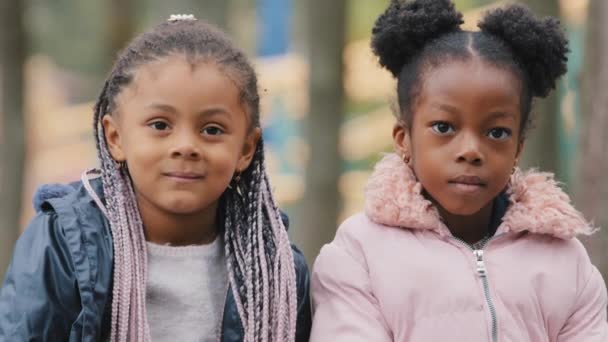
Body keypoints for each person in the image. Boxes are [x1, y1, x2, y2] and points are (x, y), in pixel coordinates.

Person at [0, 14, 311, 342]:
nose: (186, 146)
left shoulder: (275, 269)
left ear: (246, 149)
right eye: (160, 125)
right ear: (115, 137)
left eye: (212, 130)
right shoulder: (66, 243)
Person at [310, 1, 608, 341]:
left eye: (497, 132)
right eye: (443, 127)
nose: (470, 151)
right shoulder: (358, 254)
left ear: (518, 150)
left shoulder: (565, 262)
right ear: (403, 139)